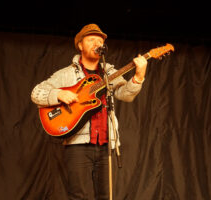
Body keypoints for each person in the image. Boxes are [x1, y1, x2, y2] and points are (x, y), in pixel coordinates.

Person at [31, 23, 147, 200]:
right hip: (77, 145)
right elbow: (37, 93)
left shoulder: (110, 73)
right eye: (91, 39)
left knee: (105, 196)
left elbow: (125, 94)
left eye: (100, 40)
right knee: (79, 196)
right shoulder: (65, 74)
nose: (97, 43)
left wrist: (138, 76)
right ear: (80, 45)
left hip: (106, 145)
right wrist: (58, 93)